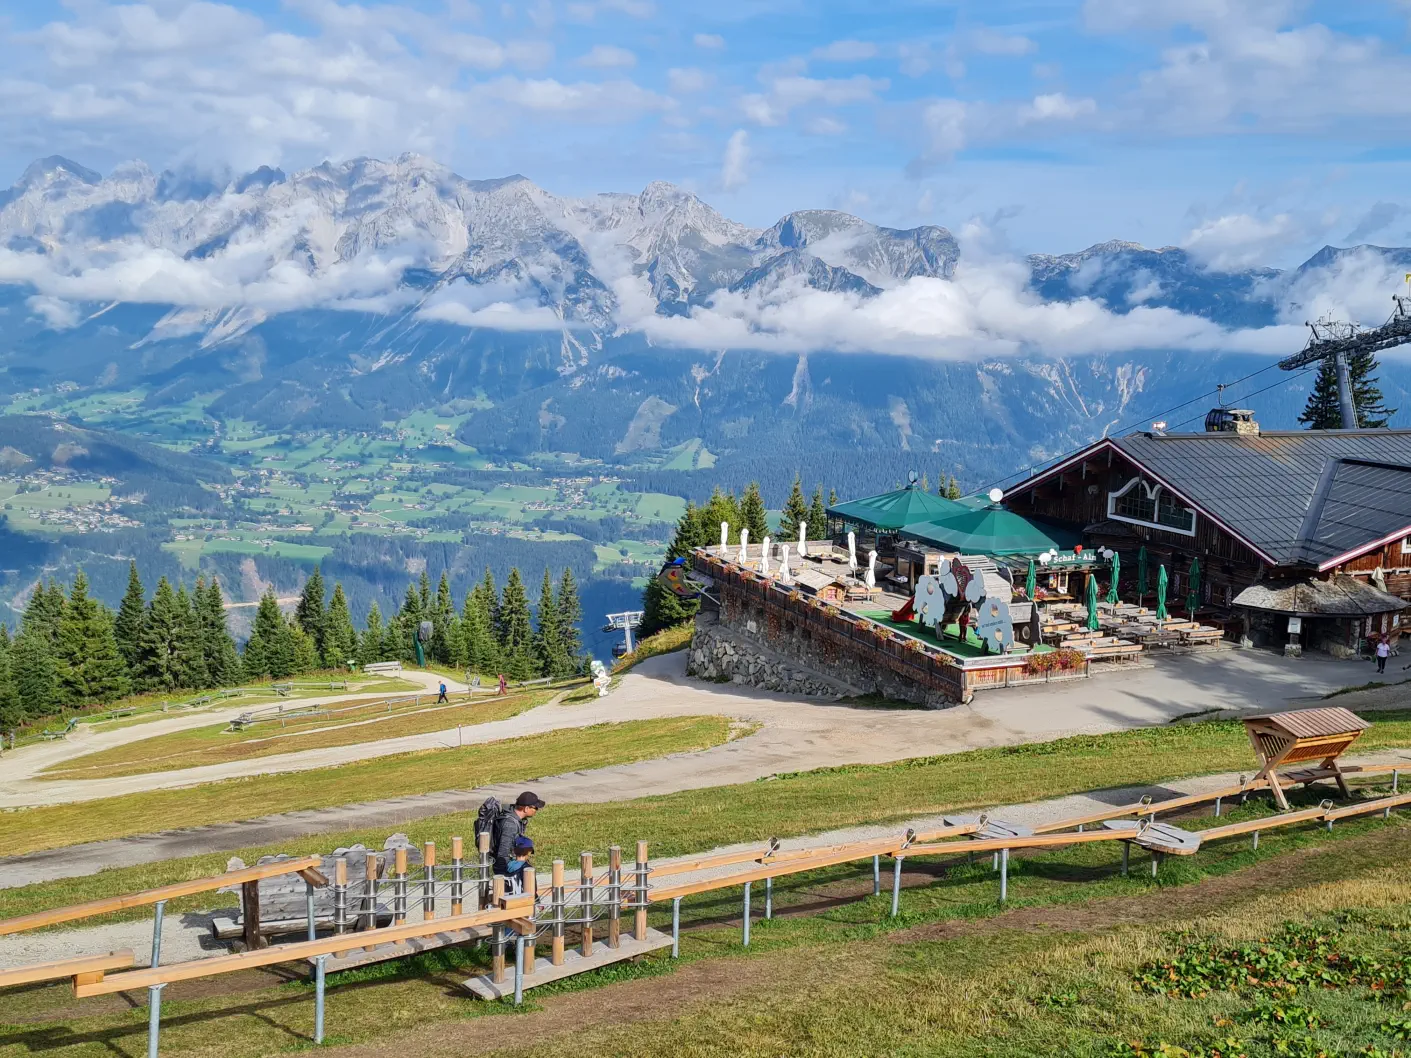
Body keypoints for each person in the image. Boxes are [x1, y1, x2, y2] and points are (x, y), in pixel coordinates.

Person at [493, 791, 546, 880]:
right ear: (526, 808)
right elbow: (502, 852)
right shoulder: (510, 824)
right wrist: (504, 877)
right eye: (535, 808)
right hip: (506, 869)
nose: (537, 810)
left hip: (512, 863)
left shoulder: (515, 820)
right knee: (529, 872)